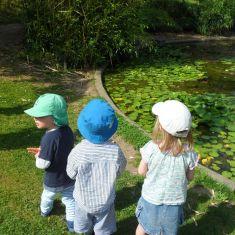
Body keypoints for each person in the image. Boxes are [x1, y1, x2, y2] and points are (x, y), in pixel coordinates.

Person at [135, 100, 198, 235]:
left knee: (143, 226)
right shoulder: (190, 153)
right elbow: (190, 177)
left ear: (160, 127)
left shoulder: (151, 148)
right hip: (174, 202)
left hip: (150, 197)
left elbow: (141, 171)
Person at [66, 98, 127, 235]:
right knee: (103, 229)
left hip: (82, 200)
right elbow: (120, 169)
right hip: (105, 200)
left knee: (84, 227)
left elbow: (70, 173)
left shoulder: (78, 151)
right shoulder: (115, 150)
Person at [24, 93, 75, 232]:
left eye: (40, 116)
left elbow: (43, 164)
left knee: (47, 196)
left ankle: (44, 211)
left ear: (54, 117)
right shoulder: (68, 131)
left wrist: (38, 157)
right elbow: (65, 149)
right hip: (69, 176)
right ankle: (72, 224)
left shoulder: (48, 138)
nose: (35, 118)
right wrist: (44, 151)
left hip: (53, 179)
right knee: (70, 200)